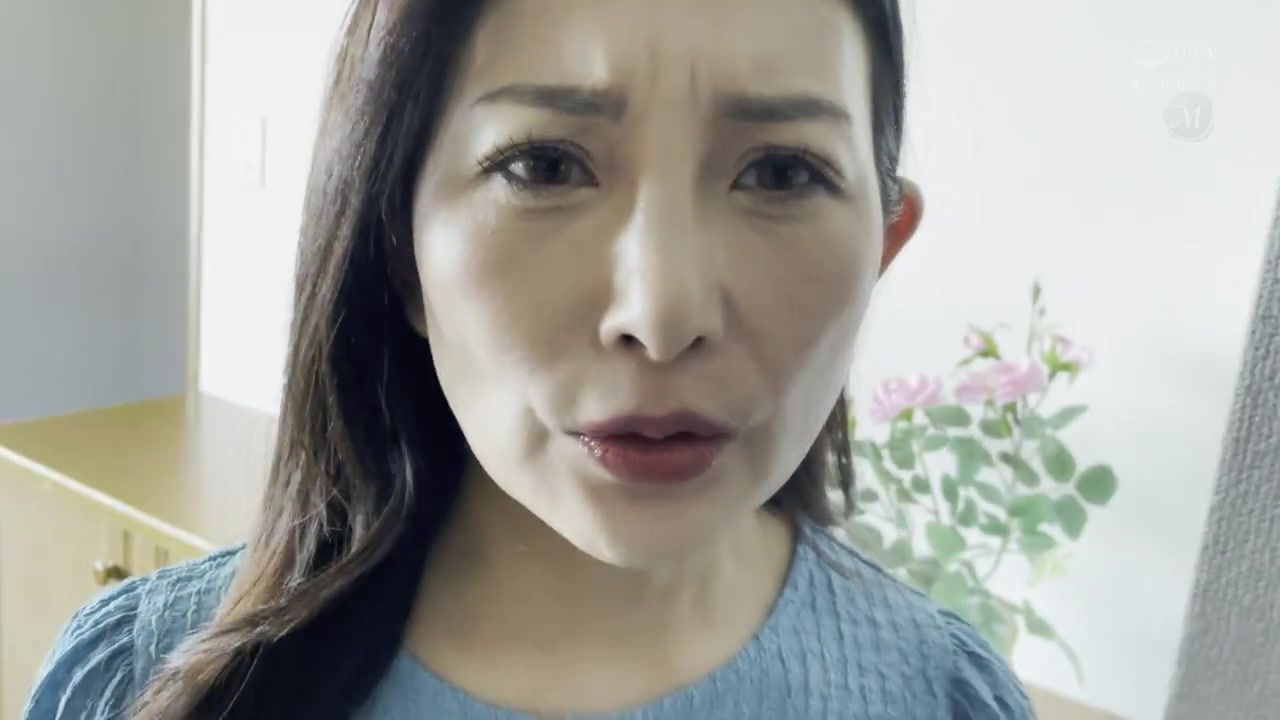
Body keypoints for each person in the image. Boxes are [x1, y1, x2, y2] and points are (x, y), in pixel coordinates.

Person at [26, 0, 1034, 717]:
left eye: (779, 173)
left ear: (881, 249)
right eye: (544, 165)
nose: (661, 315)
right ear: (398, 246)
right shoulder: (143, 684)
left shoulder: (939, 696)